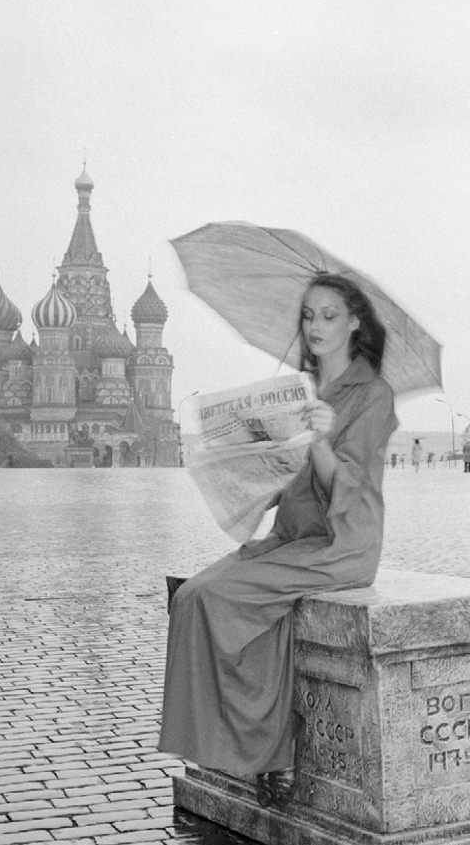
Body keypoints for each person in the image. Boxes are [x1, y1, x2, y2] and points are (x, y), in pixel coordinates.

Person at [159, 273, 397, 810]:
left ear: (355, 323)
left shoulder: (372, 394)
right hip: (293, 535)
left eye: (329, 315)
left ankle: (273, 752)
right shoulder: (303, 390)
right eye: (309, 315)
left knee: (223, 597)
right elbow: (280, 481)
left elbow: (348, 487)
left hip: (343, 542)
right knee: (192, 595)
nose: (315, 326)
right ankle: (235, 746)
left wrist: (319, 438)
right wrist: (240, 461)